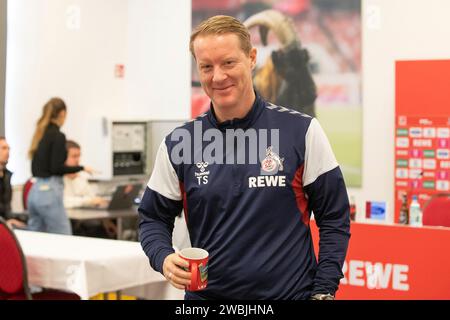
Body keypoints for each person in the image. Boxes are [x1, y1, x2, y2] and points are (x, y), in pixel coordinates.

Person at [139, 15, 350, 300]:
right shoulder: (180, 143)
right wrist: (163, 257)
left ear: (251, 58)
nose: (218, 76)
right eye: (206, 67)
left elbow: (334, 218)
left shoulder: (302, 131)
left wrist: (324, 291)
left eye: (228, 63)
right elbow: (152, 218)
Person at [27, 97, 93, 235]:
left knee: (36, 239)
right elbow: (56, 168)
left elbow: (36, 168)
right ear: (62, 113)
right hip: (49, 193)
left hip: (34, 192)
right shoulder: (58, 136)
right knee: (64, 238)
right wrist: (81, 168)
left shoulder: (39, 134)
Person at [63, 140, 116, 238]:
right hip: (70, 222)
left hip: (85, 219)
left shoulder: (80, 178)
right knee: (93, 229)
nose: (78, 160)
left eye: (79, 156)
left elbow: (93, 199)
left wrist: (106, 221)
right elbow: (64, 202)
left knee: (108, 228)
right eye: (74, 156)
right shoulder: (57, 180)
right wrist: (89, 201)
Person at [0, 136, 26, 229]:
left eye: (8, 148)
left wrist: (12, 219)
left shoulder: (6, 175)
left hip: (6, 220)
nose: (7, 152)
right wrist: (5, 222)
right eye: (3, 148)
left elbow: (6, 207)